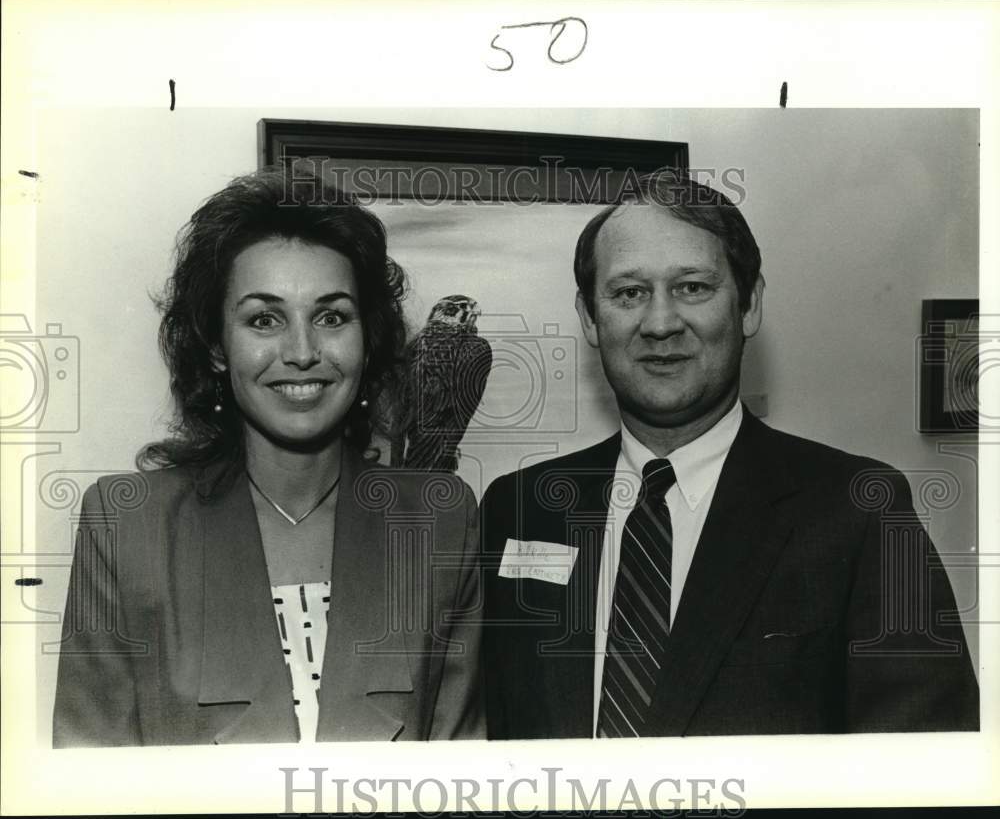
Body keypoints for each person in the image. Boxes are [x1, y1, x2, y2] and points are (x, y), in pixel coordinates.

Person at [480, 170, 979, 738]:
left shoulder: (859, 510)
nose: (661, 323)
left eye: (692, 287)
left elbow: (925, 761)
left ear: (749, 306)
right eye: (629, 293)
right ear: (591, 318)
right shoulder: (518, 509)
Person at [53, 168, 483, 746]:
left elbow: (461, 773)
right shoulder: (128, 523)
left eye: (331, 317)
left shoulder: (440, 520)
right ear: (215, 347)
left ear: (367, 337)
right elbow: (88, 782)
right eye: (264, 319)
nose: (302, 352)